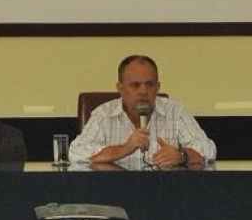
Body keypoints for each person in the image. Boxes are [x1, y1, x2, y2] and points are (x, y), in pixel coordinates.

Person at [68, 55, 215, 170]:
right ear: (120, 88)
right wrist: (124, 149)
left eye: (149, 84)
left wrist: (181, 155)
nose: (143, 91)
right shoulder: (103, 114)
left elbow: (208, 149)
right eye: (135, 85)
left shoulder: (176, 112)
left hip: (164, 193)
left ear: (158, 87)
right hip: (114, 193)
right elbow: (76, 152)